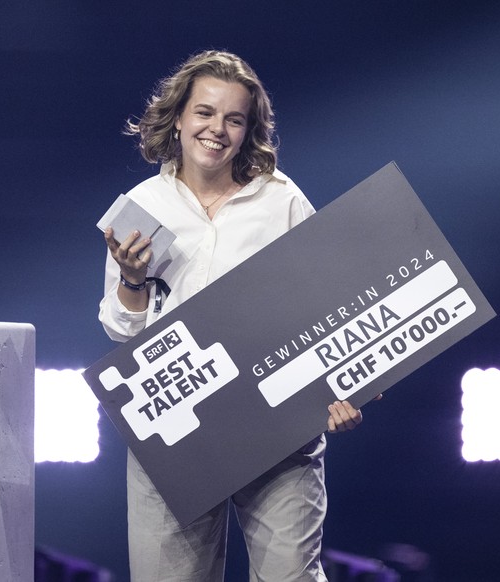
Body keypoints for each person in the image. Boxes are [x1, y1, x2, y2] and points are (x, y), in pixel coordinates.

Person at [98, 50, 367, 581]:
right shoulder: (141, 205)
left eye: (234, 118)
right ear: (178, 118)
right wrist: (131, 281)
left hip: (276, 422)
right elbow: (119, 329)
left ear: (249, 130)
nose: (216, 129)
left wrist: (347, 386)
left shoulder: (281, 199)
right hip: (175, 433)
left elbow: (332, 304)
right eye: (204, 113)